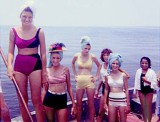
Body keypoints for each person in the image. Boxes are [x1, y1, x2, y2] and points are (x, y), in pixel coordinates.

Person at [7, 2, 47, 122]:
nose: (27, 19)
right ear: (20, 16)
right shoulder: (13, 31)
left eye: (29, 17)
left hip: (35, 65)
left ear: (32, 17)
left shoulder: (39, 31)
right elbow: (10, 51)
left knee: (37, 100)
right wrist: (9, 66)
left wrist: (44, 72)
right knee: (22, 101)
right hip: (19, 66)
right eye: (24, 16)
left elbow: (43, 53)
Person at [43, 43, 76, 122]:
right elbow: (45, 89)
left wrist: (73, 104)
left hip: (61, 99)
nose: (55, 60)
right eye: (53, 58)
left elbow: (69, 87)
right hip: (49, 99)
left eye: (58, 58)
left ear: (61, 58)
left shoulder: (65, 69)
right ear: (50, 58)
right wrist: (41, 104)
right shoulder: (46, 70)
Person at [72, 36, 101, 122]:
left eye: (89, 48)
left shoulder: (92, 56)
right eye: (85, 48)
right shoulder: (76, 55)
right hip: (79, 81)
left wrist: (96, 77)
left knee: (91, 105)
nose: (87, 50)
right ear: (82, 47)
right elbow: (72, 64)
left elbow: (99, 66)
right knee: (79, 105)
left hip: (89, 81)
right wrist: (75, 75)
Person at [95, 49, 130, 122]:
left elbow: (127, 82)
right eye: (104, 55)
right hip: (108, 94)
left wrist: (128, 104)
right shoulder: (104, 70)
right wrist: (97, 90)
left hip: (119, 96)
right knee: (102, 112)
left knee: (119, 118)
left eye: (108, 55)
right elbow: (103, 82)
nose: (106, 57)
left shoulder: (120, 71)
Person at [104, 53, 130, 122]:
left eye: (117, 64)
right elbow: (106, 90)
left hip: (122, 101)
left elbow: (127, 90)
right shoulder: (107, 76)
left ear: (119, 65)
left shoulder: (123, 75)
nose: (115, 65)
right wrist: (104, 103)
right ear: (110, 63)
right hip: (111, 102)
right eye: (113, 63)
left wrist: (128, 104)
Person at [133, 57, 157, 122]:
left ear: (149, 64)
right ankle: (144, 120)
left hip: (149, 91)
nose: (144, 64)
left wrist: (146, 81)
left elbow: (155, 84)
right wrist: (135, 92)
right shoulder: (138, 71)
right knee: (143, 107)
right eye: (142, 63)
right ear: (140, 63)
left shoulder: (152, 72)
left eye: (146, 63)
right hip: (141, 91)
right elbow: (136, 82)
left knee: (148, 108)